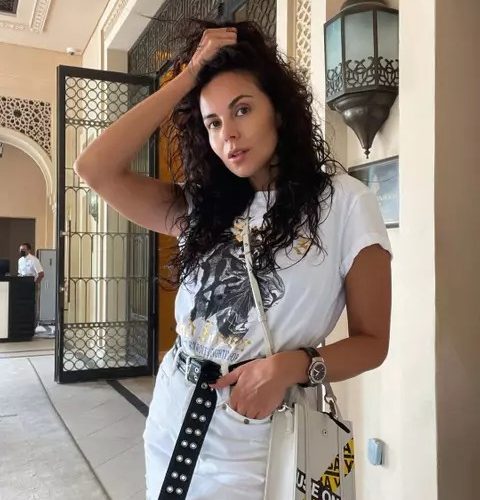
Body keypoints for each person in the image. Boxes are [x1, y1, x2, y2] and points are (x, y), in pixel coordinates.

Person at [74, 20, 392, 500]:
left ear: (278, 110)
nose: (229, 135)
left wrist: (292, 366)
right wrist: (186, 79)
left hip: (263, 436)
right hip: (174, 416)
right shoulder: (202, 206)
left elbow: (373, 343)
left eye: (242, 109)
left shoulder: (345, 203)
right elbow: (94, 168)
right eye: (213, 122)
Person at [18, 242, 44, 327]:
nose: (21, 251)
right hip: (23, 285)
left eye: (23, 250)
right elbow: (20, 273)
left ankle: (34, 325)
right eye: (20, 250)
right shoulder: (20, 260)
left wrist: (35, 284)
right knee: (24, 304)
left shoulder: (34, 260)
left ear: (29, 250)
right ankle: (25, 323)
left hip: (32, 284)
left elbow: (41, 274)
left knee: (33, 305)